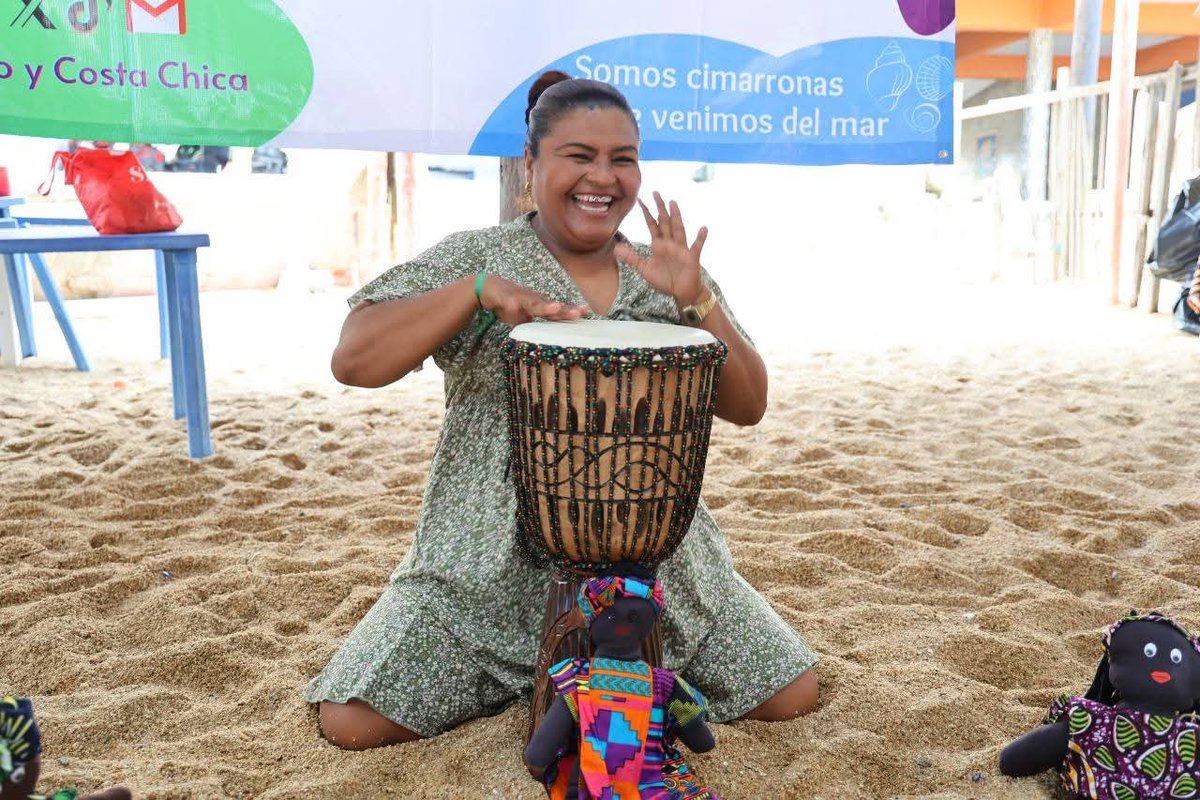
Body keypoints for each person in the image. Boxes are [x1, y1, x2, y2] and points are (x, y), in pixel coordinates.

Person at [305, 70, 819, 750]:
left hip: (657, 566)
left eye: (622, 159)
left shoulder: (664, 272)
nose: (601, 177)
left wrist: (696, 300)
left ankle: (600, 673)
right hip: (483, 568)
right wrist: (475, 293)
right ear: (532, 164)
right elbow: (353, 359)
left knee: (792, 693)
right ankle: (544, 680)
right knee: (351, 720)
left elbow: (749, 406)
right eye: (579, 156)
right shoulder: (479, 256)